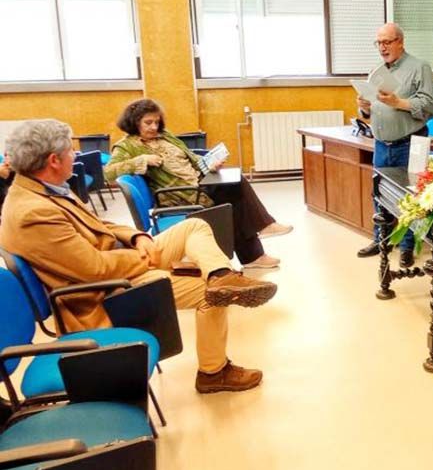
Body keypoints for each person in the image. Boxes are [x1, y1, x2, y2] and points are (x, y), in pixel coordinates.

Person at [0, 119, 277, 394]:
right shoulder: (33, 212)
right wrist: (146, 257)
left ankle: (221, 276)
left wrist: (137, 237)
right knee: (209, 296)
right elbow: (94, 269)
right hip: (100, 292)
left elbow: (98, 225)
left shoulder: (43, 188)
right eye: (70, 151)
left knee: (195, 226)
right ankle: (214, 372)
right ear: (53, 161)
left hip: (118, 261)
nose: (75, 155)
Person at [105, 99, 292, 269]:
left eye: (157, 122)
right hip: (180, 194)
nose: (154, 127)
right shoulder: (127, 146)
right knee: (233, 200)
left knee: (235, 181)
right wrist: (142, 160)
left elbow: (190, 156)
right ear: (134, 122)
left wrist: (209, 164)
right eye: (148, 123)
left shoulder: (165, 136)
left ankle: (259, 241)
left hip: (197, 182)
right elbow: (109, 172)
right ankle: (255, 250)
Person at [355, 22, 433, 268]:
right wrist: (364, 107)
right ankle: (381, 240)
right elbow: (368, 110)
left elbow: (429, 104)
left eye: (387, 42)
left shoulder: (419, 67)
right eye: (379, 42)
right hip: (382, 144)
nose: (382, 47)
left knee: (409, 198)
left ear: (400, 41)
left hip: (410, 143)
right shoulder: (377, 70)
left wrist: (398, 102)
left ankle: (408, 247)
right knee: (379, 194)